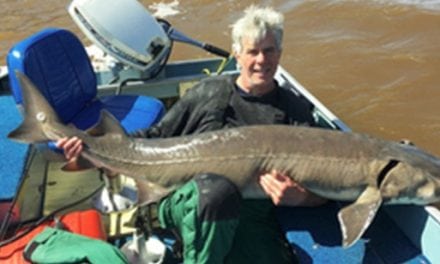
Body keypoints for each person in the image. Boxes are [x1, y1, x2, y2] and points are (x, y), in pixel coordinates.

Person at [57, 5, 326, 264]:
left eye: (269, 51)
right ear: (237, 54)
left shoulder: (295, 111)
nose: (261, 61)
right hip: (186, 196)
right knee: (216, 192)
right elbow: (156, 135)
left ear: (279, 53)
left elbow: (328, 178)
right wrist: (90, 148)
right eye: (252, 51)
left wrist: (302, 197)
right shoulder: (210, 92)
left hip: (251, 211)